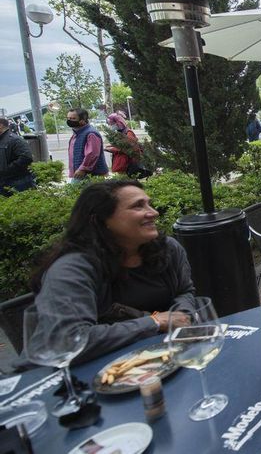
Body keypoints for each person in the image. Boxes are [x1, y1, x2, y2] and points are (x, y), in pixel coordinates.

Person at [31, 180, 196, 364]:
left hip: (161, 357)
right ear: (101, 220)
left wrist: (183, 319)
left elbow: (184, 291)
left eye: (149, 203)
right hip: (81, 374)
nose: (154, 212)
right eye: (138, 206)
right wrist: (155, 322)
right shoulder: (71, 269)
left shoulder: (168, 248)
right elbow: (68, 341)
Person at [66, 108, 109, 181]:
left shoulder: (91, 134)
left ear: (82, 121)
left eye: (73, 118)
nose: (69, 121)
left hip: (91, 175)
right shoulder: (76, 133)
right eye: (68, 118)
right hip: (80, 174)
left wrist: (83, 169)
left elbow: (92, 154)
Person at [0, 116, 35, 195]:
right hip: (5, 183)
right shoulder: (2, 140)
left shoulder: (15, 140)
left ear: (0, 126)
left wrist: (6, 170)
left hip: (17, 184)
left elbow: (26, 157)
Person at [105, 112, 144, 177]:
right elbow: (119, 145)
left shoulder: (129, 133)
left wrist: (113, 149)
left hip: (128, 166)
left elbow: (129, 148)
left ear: (118, 123)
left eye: (112, 124)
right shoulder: (120, 133)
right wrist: (110, 147)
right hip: (122, 166)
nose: (111, 126)